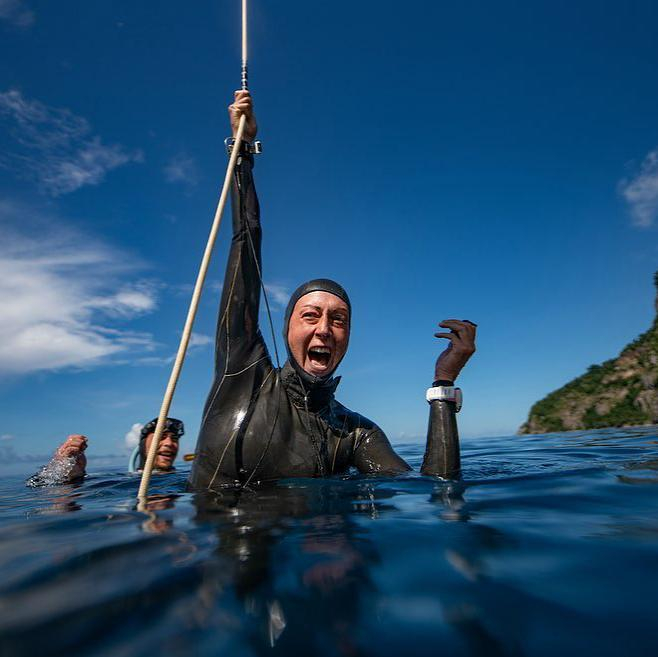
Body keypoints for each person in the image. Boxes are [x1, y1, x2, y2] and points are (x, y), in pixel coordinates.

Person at [189, 91, 477, 490]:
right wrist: (242, 155)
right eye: (311, 315)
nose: (325, 328)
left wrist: (443, 385)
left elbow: (437, 489)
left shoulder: (355, 433)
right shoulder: (241, 374)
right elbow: (246, 242)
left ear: (347, 337)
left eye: (338, 320)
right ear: (286, 328)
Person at [26, 417, 184, 486]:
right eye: (161, 437)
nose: (169, 443)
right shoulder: (124, 481)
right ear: (142, 444)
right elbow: (37, 486)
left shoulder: (187, 478)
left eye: (174, 438)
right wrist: (65, 472)